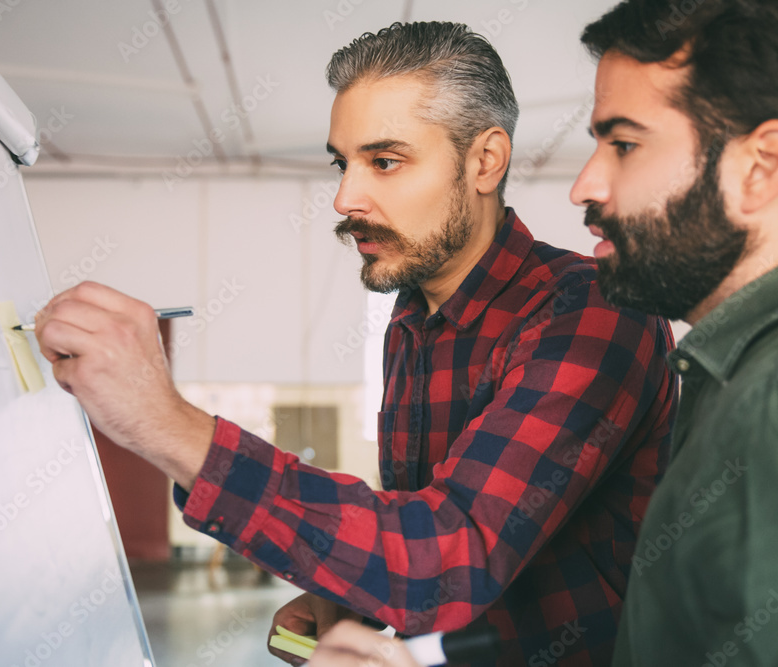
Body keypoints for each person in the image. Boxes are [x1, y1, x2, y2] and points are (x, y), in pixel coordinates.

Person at [34, 22, 677, 666]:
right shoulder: (410, 317)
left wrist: (165, 424)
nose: (345, 197)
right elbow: (426, 513)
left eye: (385, 161)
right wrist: (352, 598)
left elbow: (453, 554)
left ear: (485, 161)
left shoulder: (591, 307)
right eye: (344, 163)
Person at [307, 0, 778, 665]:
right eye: (343, 164)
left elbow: (454, 552)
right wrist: (373, 608)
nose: (583, 183)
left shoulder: (748, 388)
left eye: (624, 143)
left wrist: (181, 433)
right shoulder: (720, 371)